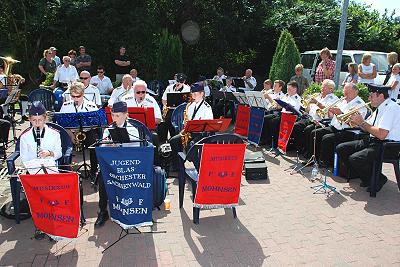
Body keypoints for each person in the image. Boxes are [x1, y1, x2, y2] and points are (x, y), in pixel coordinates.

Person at [336, 84, 400, 192]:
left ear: (380, 96)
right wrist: (356, 122)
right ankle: (367, 176)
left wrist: (362, 122)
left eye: (371, 96)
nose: (369, 99)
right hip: (374, 141)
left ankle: (378, 178)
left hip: (387, 146)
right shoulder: (380, 108)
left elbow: (381, 134)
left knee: (355, 158)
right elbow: (368, 127)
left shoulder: (391, 108)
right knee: (341, 148)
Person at [20, 101, 62, 239]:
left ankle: (54, 225)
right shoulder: (25, 137)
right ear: (30, 120)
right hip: (34, 173)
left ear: (45, 118)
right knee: (37, 201)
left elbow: (59, 152)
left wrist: (49, 153)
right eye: (34, 120)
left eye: (40, 120)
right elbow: (24, 159)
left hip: (50, 171)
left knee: (51, 199)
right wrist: (35, 163)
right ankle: (40, 226)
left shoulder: (54, 134)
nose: (37, 123)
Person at [94, 101, 139, 227]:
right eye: (113, 115)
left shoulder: (132, 130)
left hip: (128, 165)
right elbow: (102, 148)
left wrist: (121, 147)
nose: (114, 118)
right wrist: (107, 145)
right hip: (112, 165)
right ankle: (103, 211)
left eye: (118, 115)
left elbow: (137, 151)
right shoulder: (109, 129)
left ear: (126, 115)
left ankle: (128, 209)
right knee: (103, 178)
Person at [305, 82, 368, 166]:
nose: (345, 94)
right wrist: (332, 111)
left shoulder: (360, 104)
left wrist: (340, 113)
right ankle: (312, 158)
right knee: (315, 132)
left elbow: (356, 123)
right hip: (335, 127)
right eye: (344, 92)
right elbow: (333, 115)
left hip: (347, 131)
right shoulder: (343, 101)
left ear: (355, 92)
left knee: (326, 138)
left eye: (347, 92)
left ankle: (324, 161)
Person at [60, 82, 99, 177]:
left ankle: (94, 171)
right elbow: (62, 124)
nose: (75, 99)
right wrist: (71, 134)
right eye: (73, 96)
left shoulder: (91, 106)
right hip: (71, 133)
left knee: (95, 144)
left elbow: (96, 124)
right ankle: (66, 171)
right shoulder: (66, 106)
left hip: (87, 132)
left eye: (78, 96)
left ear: (83, 94)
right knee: (62, 145)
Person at [169, 83, 213, 165]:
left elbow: (208, 125)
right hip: (189, 132)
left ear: (202, 94)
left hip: (201, 134)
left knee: (192, 145)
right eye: (192, 94)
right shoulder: (190, 106)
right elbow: (186, 121)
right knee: (173, 141)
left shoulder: (207, 108)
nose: (193, 96)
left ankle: (198, 167)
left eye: (195, 94)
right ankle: (178, 165)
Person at [292, 79, 339, 154]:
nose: (322, 88)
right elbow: (307, 109)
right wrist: (307, 105)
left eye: (324, 87)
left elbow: (328, 109)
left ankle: (309, 151)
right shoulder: (317, 95)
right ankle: (300, 148)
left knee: (308, 129)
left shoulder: (333, 98)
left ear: (331, 89)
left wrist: (316, 102)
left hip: (321, 121)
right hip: (310, 118)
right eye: (322, 86)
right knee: (296, 126)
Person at [261, 81, 302, 147]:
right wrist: (278, 103)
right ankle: (266, 139)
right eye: (287, 89)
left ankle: (274, 142)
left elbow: (295, 110)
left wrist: (286, 106)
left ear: (295, 89)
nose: (288, 91)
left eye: (289, 89)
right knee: (266, 118)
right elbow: (279, 106)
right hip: (282, 113)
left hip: (290, 116)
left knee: (273, 122)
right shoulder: (286, 96)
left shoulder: (298, 98)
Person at [159, 73, 190, 143]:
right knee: (164, 123)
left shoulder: (187, 89)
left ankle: (176, 140)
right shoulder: (169, 87)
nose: (178, 83)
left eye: (181, 82)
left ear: (184, 82)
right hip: (171, 109)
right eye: (178, 81)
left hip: (182, 111)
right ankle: (163, 142)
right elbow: (164, 99)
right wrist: (164, 106)